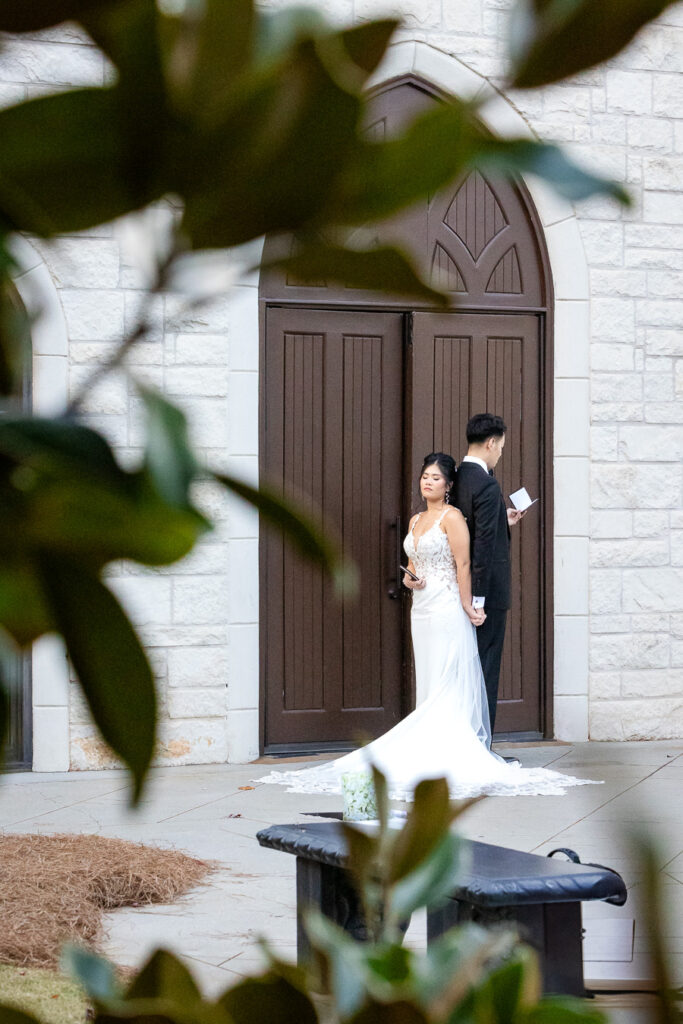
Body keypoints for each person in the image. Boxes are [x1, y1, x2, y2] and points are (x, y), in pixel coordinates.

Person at [257, 453, 597, 799]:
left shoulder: (453, 517)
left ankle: (446, 749)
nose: (428, 482)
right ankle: (428, 743)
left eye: (435, 478)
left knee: (448, 676)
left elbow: (463, 564)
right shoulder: (416, 519)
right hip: (421, 608)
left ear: (448, 485)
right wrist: (410, 581)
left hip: (447, 607)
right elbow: (413, 564)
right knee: (430, 677)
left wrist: (468, 604)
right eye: (425, 477)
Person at [452, 413, 520, 737]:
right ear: (491, 443)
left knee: (464, 671)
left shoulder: (456, 477)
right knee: (485, 672)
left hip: (458, 591)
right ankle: (481, 746)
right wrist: (478, 600)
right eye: (501, 447)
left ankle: (462, 740)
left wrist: (501, 518)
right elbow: (484, 546)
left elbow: (471, 528)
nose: (500, 453)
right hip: (485, 596)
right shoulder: (487, 484)